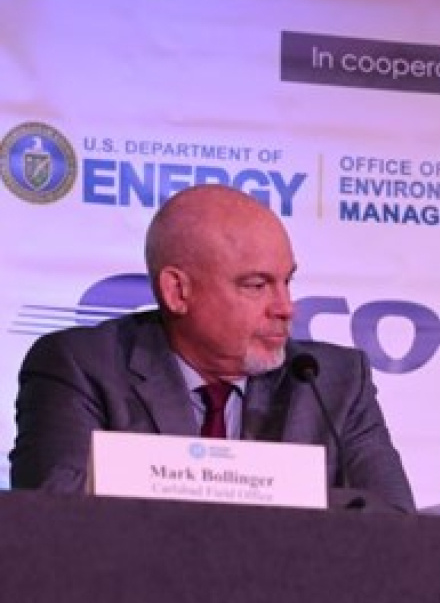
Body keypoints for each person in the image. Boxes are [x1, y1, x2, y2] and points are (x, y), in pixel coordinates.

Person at [8, 184, 416, 512]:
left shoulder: (332, 381)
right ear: (177, 291)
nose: (285, 308)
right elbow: (56, 513)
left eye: (287, 281)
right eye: (256, 285)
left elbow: (395, 525)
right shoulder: (82, 366)